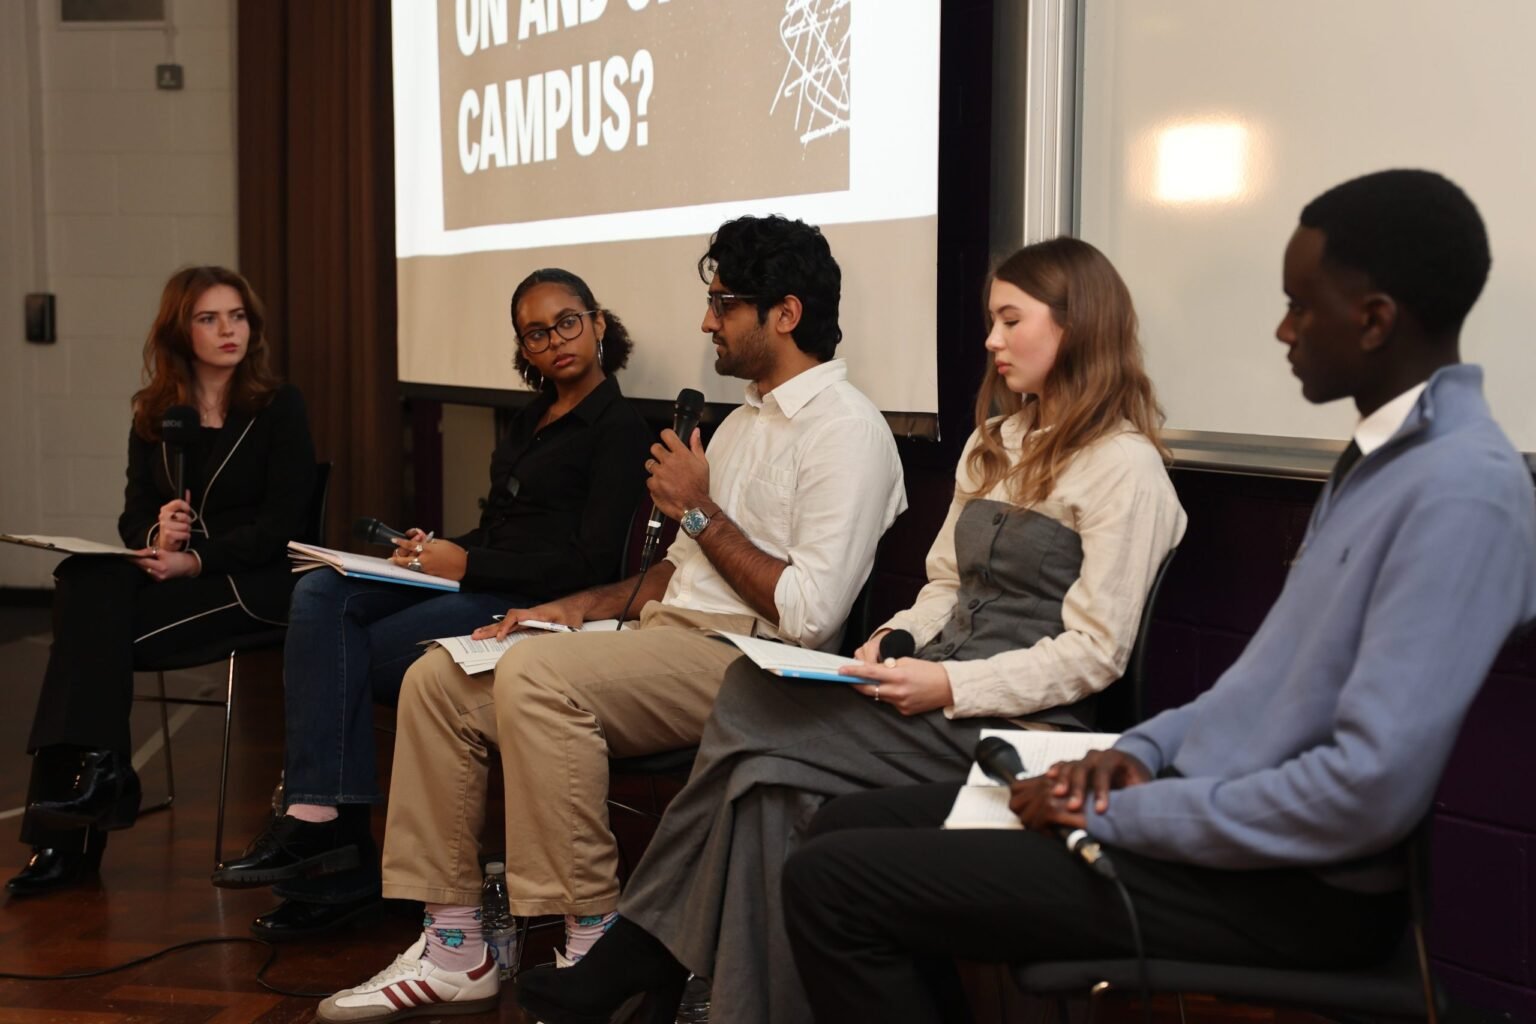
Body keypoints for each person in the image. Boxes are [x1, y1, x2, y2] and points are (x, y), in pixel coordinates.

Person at [779, 170, 1536, 1024]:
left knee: (832, 885)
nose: (1283, 329)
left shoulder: (1459, 489)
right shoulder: (1385, 459)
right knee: (844, 834)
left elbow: (1362, 795)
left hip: (1297, 893)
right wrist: (1136, 752)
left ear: (1374, 319)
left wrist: (1129, 809)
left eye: (1300, 305)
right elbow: (1259, 690)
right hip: (1227, 832)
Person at [514, 236, 1188, 1024]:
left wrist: (949, 682)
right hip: (931, 690)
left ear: (1076, 329)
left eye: (1010, 320)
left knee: (748, 697)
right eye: (989, 321)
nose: (990, 341)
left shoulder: (1127, 468)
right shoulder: (993, 444)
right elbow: (944, 585)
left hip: (1017, 724)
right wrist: (898, 641)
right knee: (774, 791)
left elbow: (1096, 655)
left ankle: (643, 951)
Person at [312, 214, 907, 1023]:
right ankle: (457, 945)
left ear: (786, 313)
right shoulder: (739, 425)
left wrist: (697, 511)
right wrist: (559, 612)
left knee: (536, 680)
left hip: (753, 667)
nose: (706, 322)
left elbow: (809, 613)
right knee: (442, 675)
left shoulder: (848, 432)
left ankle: (594, 934)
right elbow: (672, 572)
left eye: (723, 303)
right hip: (665, 642)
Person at [209, 269, 653, 940]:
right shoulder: (533, 417)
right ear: (523, 349)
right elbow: (504, 531)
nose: (556, 340)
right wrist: (438, 549)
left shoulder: (620, 427)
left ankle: (339, 836)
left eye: (568, 321)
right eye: (537, 333)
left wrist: (470, 562)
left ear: (597, 323)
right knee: (321, 587)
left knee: (342, 653)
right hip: (478, 577)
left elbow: (591, 564)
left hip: (526, 601)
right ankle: (318, 816)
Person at [8, 266, 317, 897]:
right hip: (171, 575)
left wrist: (196, 560)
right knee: (82, 576)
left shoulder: (276, 407)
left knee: (85, 642)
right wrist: (156, 534)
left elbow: (284, 524)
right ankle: (103, 770)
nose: (228, 330)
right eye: (209, 318)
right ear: (181, 330)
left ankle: (68, 835)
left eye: (237, 316)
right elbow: (130, 514)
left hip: (250, 584)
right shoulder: (155, 414)